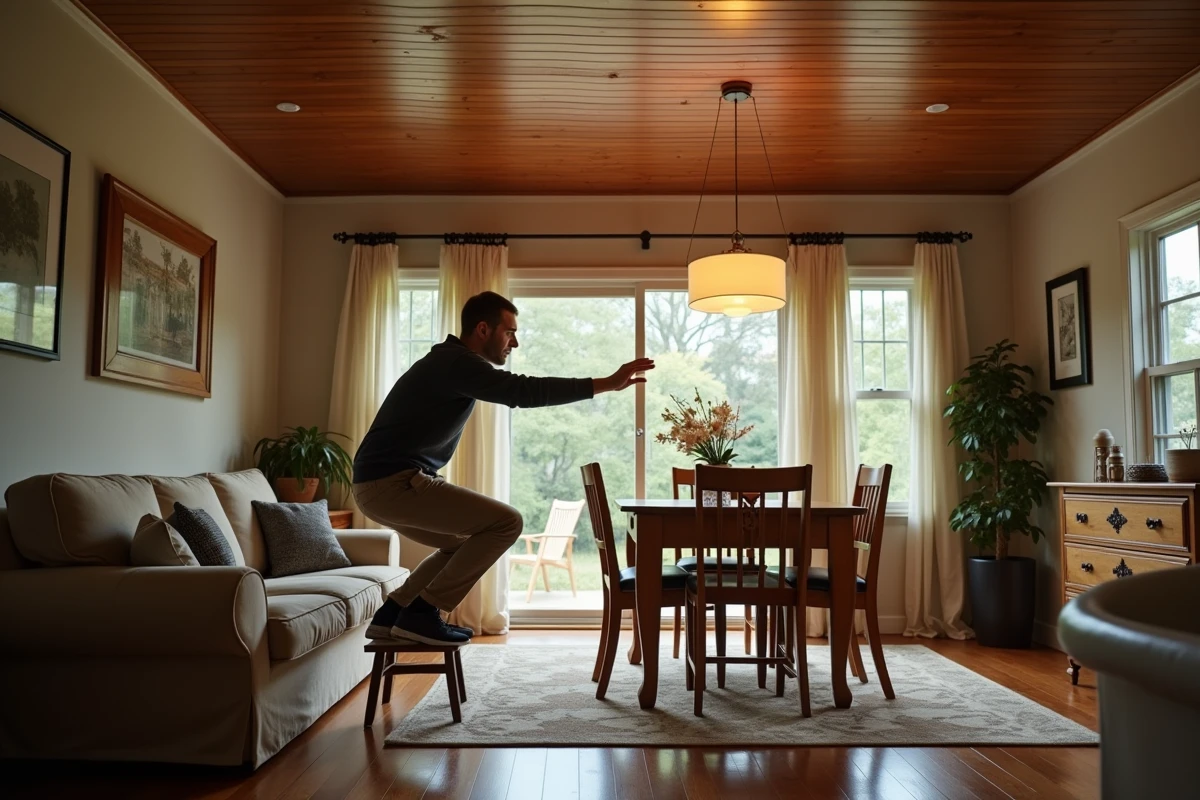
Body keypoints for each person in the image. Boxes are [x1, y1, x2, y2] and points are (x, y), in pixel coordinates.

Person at [358, 290, 654, 644]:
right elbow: (521, 391)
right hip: (394, 482)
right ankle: (423, 612)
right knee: (507, 522)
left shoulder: (449, 361)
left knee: (458, 545)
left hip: (377, 485)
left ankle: (394, 612)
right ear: (483, 329)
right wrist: (605, 383)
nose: (514, 342)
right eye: (509, 332)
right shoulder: (458, 362)